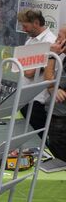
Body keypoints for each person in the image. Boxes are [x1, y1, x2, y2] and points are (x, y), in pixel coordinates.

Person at [17, 9, 56, 137]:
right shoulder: (30, 41)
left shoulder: (50, 42)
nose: (23, 29)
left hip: (38, 99)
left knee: (37, 137)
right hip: (25, 96)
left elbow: (29, 72)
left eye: (25, 26)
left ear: (36, 23)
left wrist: (31, 69)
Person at [45, 27, 66, 161]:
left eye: (59, 37)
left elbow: (49, 83)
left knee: (59, 157)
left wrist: (52, 56)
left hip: (61, 118)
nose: (56, 40)